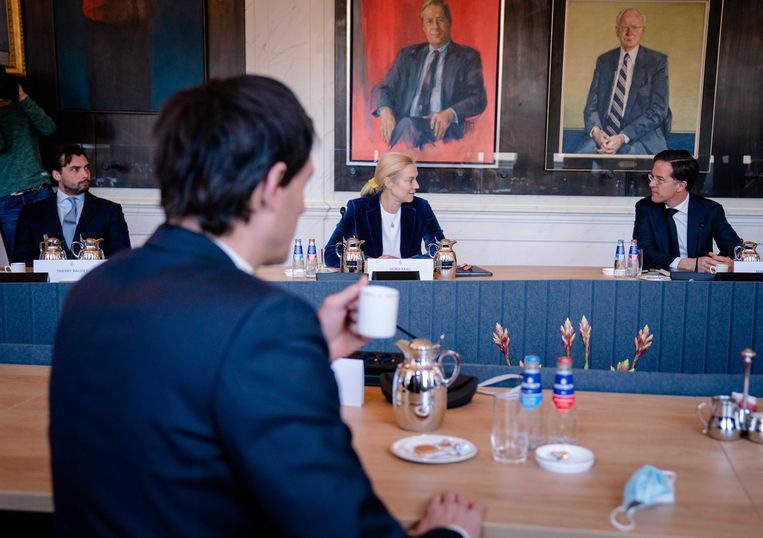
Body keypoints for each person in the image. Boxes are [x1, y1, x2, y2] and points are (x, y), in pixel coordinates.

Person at [49, 75, 483, 538]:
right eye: (302, 185)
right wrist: (450, 533)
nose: (302, 207)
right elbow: (340, 524)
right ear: (272, 185)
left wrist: (308, 348)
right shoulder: (265, 324)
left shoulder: (93, 290)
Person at [371, 0, 487, 149]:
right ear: (423, 27)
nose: (435, 27)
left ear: (449, 23)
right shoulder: (408, 55)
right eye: (429, 22)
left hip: (443, 129)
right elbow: (382, 88)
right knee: (407, 125)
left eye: (440, 20)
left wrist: (450, 113)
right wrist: (385, 110)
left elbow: (478, 99)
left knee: (405, 131)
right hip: (408, 125)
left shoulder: (467, 57)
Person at [12, 144, 131, 265]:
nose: (85, 175)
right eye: (75, 169)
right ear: (57, 175)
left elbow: (122, 260)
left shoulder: (110, 211)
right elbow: (21, 264)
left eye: (86, 168)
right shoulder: (31, 214)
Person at [575, 8, 670, 155]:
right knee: (575, 161)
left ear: (643, 31)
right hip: (603, 138)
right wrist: (596, 132)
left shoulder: (656, 62)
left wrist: (623, 136)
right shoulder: (603, 61)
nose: (629, 32)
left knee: (626, 161)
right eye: (624, 27)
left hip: (641, 138)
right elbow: (591, 107)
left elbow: (659, 110)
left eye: (635, 27)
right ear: (617, 31)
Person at [324, 152, 445, 267]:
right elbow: (331, 254)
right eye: (410, 180)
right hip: (369, 280)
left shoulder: (421, 207)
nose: (417, 185)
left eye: (416, 179)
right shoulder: (357, 208)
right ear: (389, 182)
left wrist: (402, 264)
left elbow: (441, 252)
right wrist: (371, 263)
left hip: (409, 280)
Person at [633, 149, 742, 272]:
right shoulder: (645, 208)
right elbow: (643, 252)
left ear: (681, 186)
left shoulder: (710, 210)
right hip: (660, 280)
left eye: (660, 179)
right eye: (652, 177)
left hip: (699, 282)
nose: (651, 184)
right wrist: (688, 263)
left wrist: (728, 264)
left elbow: (735, 250)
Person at [0, 68, 56, 259]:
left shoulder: (23, 108)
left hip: (39, 190)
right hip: (7, 198)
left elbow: (49, 128)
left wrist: (23, 97)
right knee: (19, 262)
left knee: (52, 255)